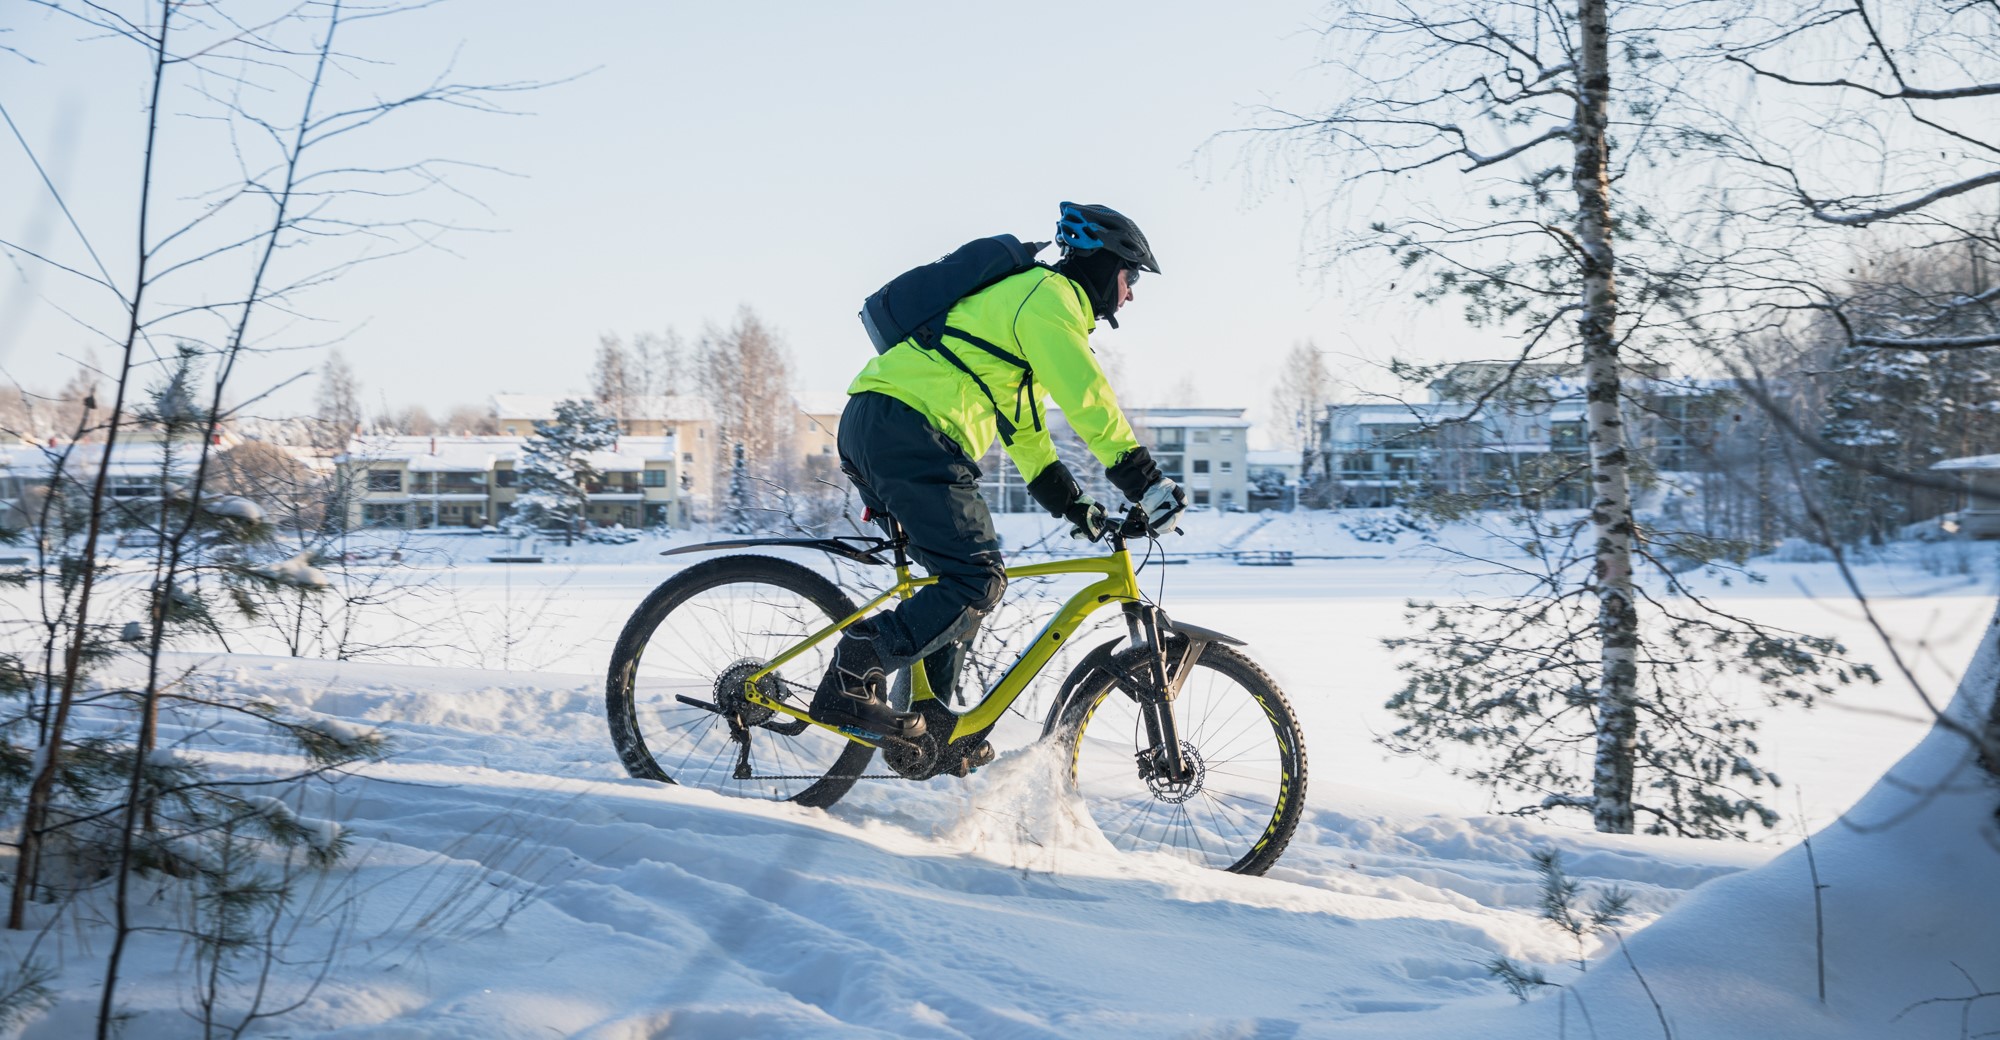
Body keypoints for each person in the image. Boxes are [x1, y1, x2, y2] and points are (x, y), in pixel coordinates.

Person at [811, 202, 1187, 739]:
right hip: (911, 429)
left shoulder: (1023, 309)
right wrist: (1145, 481)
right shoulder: (1050, 298)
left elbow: (1025, 430)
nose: (1130, 295)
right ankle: (856, 666)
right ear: (1106, 265)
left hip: (882, 423)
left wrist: (1074, 505)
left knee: (954, 587)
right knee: (977, 578)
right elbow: (1087, 398)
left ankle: (933, 732)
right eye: (1131, 278)